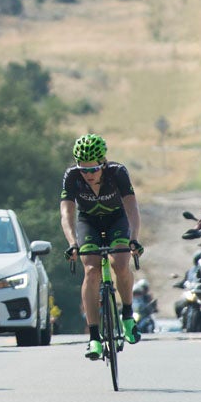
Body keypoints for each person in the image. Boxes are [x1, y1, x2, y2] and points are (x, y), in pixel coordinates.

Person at [59, 133, 144, 361]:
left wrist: (133, 238)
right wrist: (72, 243)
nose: (88, 175)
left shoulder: (117, 172)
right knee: (90, 269)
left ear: (103, 162)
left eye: (93, 169)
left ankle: (127, 315)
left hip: (116, 219)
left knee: (120, 263)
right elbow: (67, 213)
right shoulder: (72, 176)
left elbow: (132, 210)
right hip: (88, 222)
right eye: (83, 170)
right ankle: (94, 337)